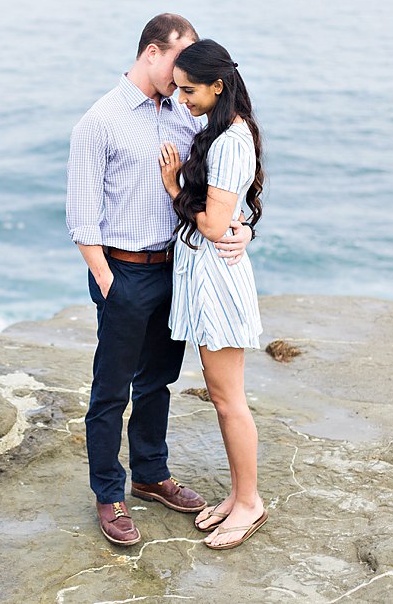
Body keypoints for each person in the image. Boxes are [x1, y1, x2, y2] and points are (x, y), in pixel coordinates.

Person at [66, 15, 253, 546]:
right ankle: (110, 493)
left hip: (176, 268)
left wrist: (242, 230)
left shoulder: (187, 113)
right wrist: (106, 280)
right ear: (153, 53)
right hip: (122, 272)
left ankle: (150, 473)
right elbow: (82, 216)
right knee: (111, 389)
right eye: (179, 61)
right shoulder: (98, 122)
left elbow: (222, 188)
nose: (185, 73)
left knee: (157, 381)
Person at [157, 38, 268, 550]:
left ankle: (249, 502)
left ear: (217, 85)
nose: (182, 99)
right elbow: (233, 216)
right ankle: (239, 494)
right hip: (211, 279)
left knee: (229, 401)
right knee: (225, 399)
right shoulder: (229, 131)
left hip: (217, 284)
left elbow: (215, 223)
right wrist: (240, 223)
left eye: (189, 91)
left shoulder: (227, 142)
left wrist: (174, 188)